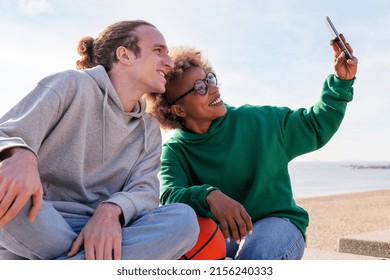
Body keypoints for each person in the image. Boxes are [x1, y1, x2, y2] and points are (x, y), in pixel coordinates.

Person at [0, 20, 199, 260]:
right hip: (40, 222)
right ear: (124, 55)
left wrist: (111, 210)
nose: (169, 62)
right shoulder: (70, 84)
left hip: (105, 234)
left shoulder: (148, 129)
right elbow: (7, 133)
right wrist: (21, 153)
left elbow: (144, 192)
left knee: (184, 220)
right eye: (159, 51)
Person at [146, 35, 358, 260]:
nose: (213, 89)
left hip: (277, 222)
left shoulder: (260, 120)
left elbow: (316, 124)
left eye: (210, 79)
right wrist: (209, 196)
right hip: (222, 233)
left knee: (256, 255)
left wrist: (341, 82)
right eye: (200, 87)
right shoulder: (176, 150)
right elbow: (169, 197)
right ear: (178, 110)